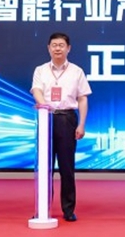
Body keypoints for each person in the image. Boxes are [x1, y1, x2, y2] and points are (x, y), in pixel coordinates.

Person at [30, 32, 91, 222]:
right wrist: (44, 105)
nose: (57, 48)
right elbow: (36, 90)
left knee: (67, 167)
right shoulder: (40, 70)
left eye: (61, 45)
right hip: (46, 118)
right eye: (54, 45)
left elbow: (82, 98)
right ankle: (43, 208)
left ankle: (68, 209)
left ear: (68, 48)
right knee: (44, 166)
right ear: (48, 48)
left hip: (67, 119)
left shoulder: (76, 71)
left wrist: (81, 124)